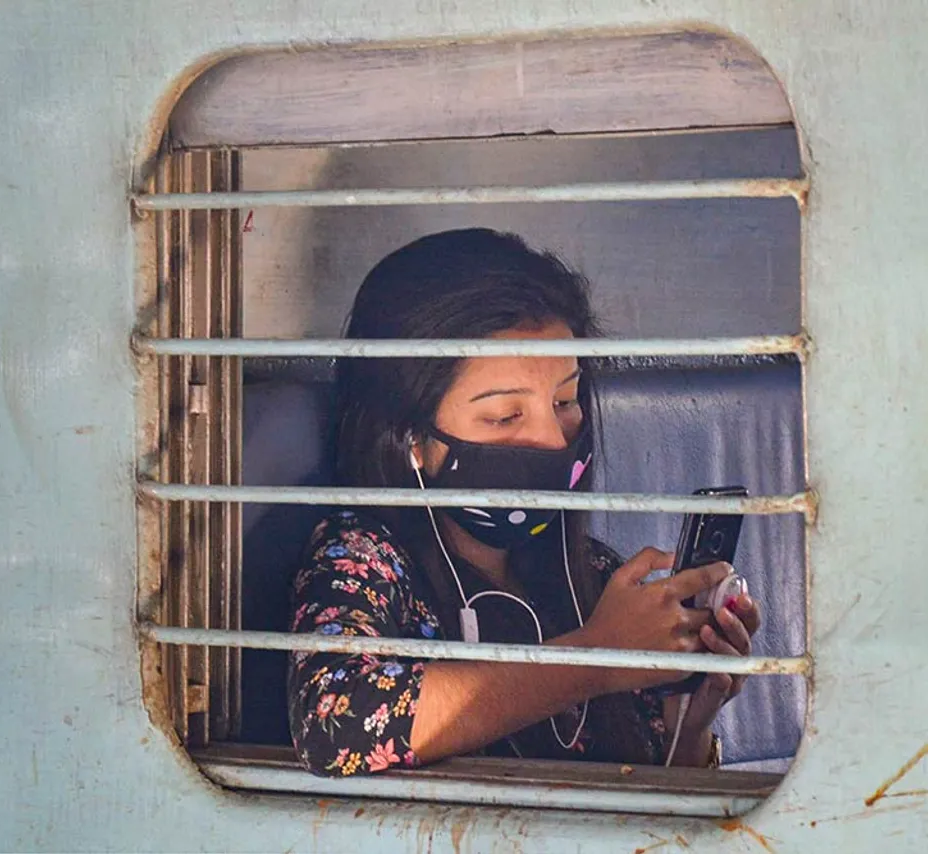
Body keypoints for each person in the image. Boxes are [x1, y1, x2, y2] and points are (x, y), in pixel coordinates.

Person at [287, 228, 761, 776]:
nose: (555, 441)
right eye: (505, 416)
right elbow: (336, 727)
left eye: (564, 400)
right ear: (411, 437)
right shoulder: (364, 558)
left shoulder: (593, 576)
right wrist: (596, 658)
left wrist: (691, 717)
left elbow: (645, 810)